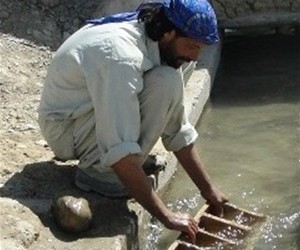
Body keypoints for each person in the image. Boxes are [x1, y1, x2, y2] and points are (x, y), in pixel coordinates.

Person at [38, 0, 228, 242]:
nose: (194, 56)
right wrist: (166, 215)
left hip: (90, 112)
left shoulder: (162, 45)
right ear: (169, 32)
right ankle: (99, 173)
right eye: (191, 46)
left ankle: (115, 165)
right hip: (67, 128)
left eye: (200, 49)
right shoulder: (120, 57)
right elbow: (120, 149)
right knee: (166, 83)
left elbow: (177, 129)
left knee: (168, 79)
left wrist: (208, 189)